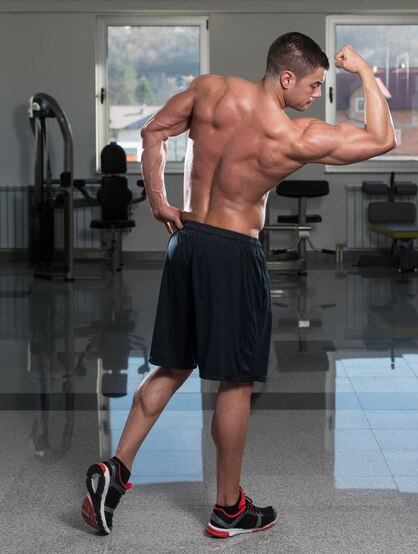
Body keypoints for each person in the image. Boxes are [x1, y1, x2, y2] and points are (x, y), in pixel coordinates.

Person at [81, 32, 396, 539]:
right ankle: (228, 507)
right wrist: (360, 68)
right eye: (314, 84)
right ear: (286, 76)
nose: (316, 94)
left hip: (185, 243)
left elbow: (153, 132)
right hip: (233, 252)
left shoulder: (210, 90)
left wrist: (160, 202)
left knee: (173, 363)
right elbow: (384, 139)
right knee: (236, 381)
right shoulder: (293, 136)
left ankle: (114, 472)